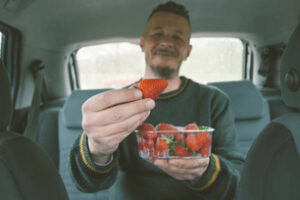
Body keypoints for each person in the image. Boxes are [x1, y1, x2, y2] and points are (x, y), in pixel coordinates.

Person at [69, 1, 244, 199]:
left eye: (177, 36)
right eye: (157, 33)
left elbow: (239, 180)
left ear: (188, 51)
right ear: (143, 43)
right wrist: (97, 148)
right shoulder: (118, 103)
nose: (167, 42)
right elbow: (89, 184)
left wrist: (204, 169)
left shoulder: (214, 101)